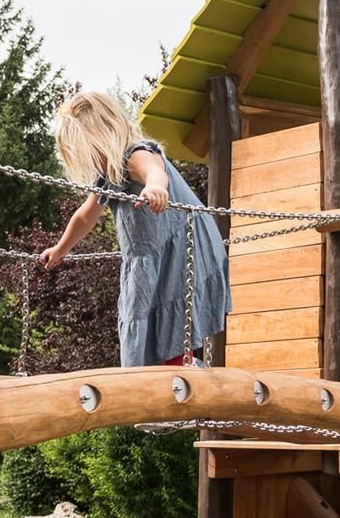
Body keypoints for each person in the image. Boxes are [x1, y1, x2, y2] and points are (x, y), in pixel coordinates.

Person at [40, 90, 229, 368]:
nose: (89, 161)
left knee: (169, 325)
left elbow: (155, 171)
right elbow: (84, 217)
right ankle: (175, 372)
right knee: (146, 325)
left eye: (87, 151)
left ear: (103, 135)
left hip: (178, 249)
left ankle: (185, 371)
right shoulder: (108, 176)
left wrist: (154, 188)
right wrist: (61, 248)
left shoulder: (135, 154)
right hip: (148, 256)